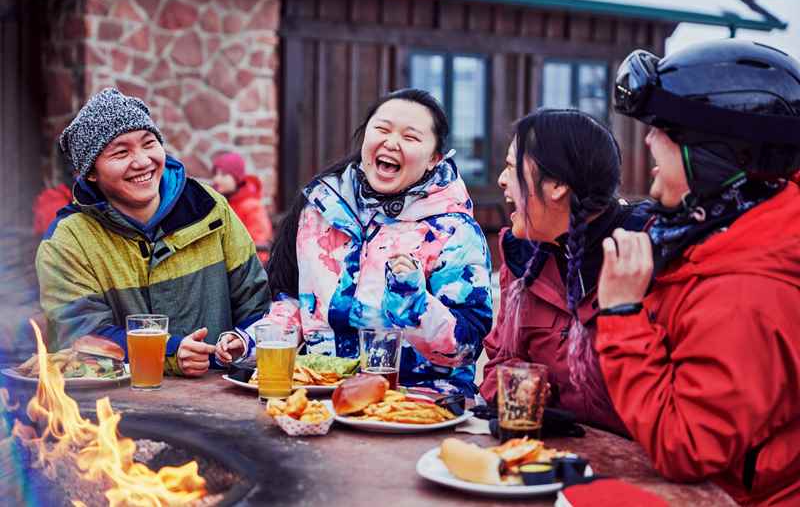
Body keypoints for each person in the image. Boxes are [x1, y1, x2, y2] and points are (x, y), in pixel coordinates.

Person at [596, 40, 800, 505]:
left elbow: (687, 446)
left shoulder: (748, 290)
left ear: (711, 157)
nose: (647, 140)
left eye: (664, 130)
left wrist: (623, 314)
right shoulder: (722, 235)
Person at [215, 88, 493, 396]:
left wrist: (412, 300)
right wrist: (252, 341)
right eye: (382, 129)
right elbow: (296, 304)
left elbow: (467, 346)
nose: (391, 142)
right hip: (323, 395)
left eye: (410, 137)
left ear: (433, 160)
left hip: (417, 403)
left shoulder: (452, 230)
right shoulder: (321, 207)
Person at [36, 88, 269, 377]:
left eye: (149, 143)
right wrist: (169, 351)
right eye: (121, 152)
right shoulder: (67, 240)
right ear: (91, 173)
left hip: (220, 395)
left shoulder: (209, 208)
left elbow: (257, 303)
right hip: (118, 407)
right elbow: (80, 335)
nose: (143, 161)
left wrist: (242, 343)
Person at [480, 108, 651, 435]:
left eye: (511, 168)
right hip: (553, 456)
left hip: (645, 468)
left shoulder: (646, 257)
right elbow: (498, 365)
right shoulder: (523, 259)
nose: (502, 179)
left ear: (557, 184)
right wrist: (529, 395)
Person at [211, 151, 273, 263]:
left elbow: (260, 246)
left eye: (223, 175)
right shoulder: (220, 203)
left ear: (236, 178)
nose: (217, 179)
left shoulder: (252, 206)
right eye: (215, 174)